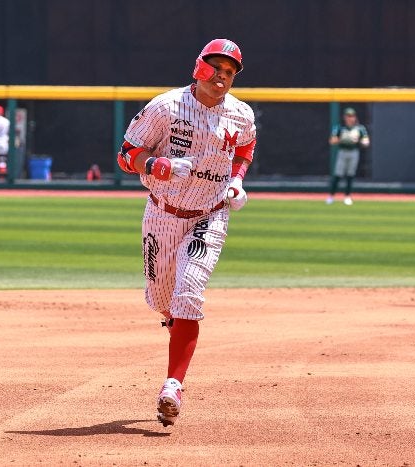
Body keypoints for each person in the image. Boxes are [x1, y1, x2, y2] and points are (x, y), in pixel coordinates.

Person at [116, 38, 256, 427]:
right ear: (199, 67)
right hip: (162, 213)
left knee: (189, 294)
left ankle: (173, 384)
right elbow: (127, 153)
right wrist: (157, 165)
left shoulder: (241, 114)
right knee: (162, 298)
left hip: (209, 216)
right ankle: (173, 320)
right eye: (216, 68)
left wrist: (237, 181)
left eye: (229, 73)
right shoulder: (166, 106)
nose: (222, 77)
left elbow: (245, 147)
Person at [326, 107, 370, 205]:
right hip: (342, 151)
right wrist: (342, 139)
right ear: (344, 117)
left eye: (352, 116)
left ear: (355, 117)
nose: (350, 118)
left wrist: (358, 140)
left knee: (350, 175)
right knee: (338, 175)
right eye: (348, 116)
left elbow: (366, 142)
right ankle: (331, 196)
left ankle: (347, 196)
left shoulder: (360, 128)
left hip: (353, 152)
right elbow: (332, 141)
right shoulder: (339, 127)